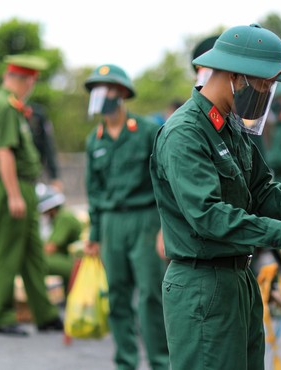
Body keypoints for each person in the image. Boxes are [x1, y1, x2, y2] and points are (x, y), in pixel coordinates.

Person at [149, 23, 281, 370]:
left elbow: (262, 191)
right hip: (203, 283)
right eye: (264, 82)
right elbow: (208, 215)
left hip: (238, 279)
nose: (268, 91)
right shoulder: (185, 133)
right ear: (236, 75)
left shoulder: (231, 125)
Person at [83, 64, 169, 370]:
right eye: (95, 89)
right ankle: (125, 361)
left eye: (105, 88)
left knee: (149, 294)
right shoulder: (95, 139)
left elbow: (163, 181)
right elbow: (93, 191)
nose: (99, 95)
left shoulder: (146, 131)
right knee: (117, 295)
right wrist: (94, 236)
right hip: (110, 224)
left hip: (145, 220)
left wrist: (164, 228)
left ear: (120, 93)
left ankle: (160, 361)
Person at [0, 54, 64, 336]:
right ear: (22, 79)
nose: (31, 88)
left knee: (33, 254)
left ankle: (46, 314)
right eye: (31, 82)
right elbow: (4, 152)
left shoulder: (11, 106)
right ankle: (3, 316)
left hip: (23, 186)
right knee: (7, 252)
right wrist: (14, 194)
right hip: (11, 187)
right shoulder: (4, 106)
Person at [0, 101, 62, 199]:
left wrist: (54, 176)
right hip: (8, 175)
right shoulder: (4, 111)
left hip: (32, 174)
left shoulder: (37, 113)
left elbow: (48, 146)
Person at [36, 183, 82, 295]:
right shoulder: (60, 218)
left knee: (38, 262)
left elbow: (50, 248)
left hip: (77, 263)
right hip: (70, 259)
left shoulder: (64, 218)